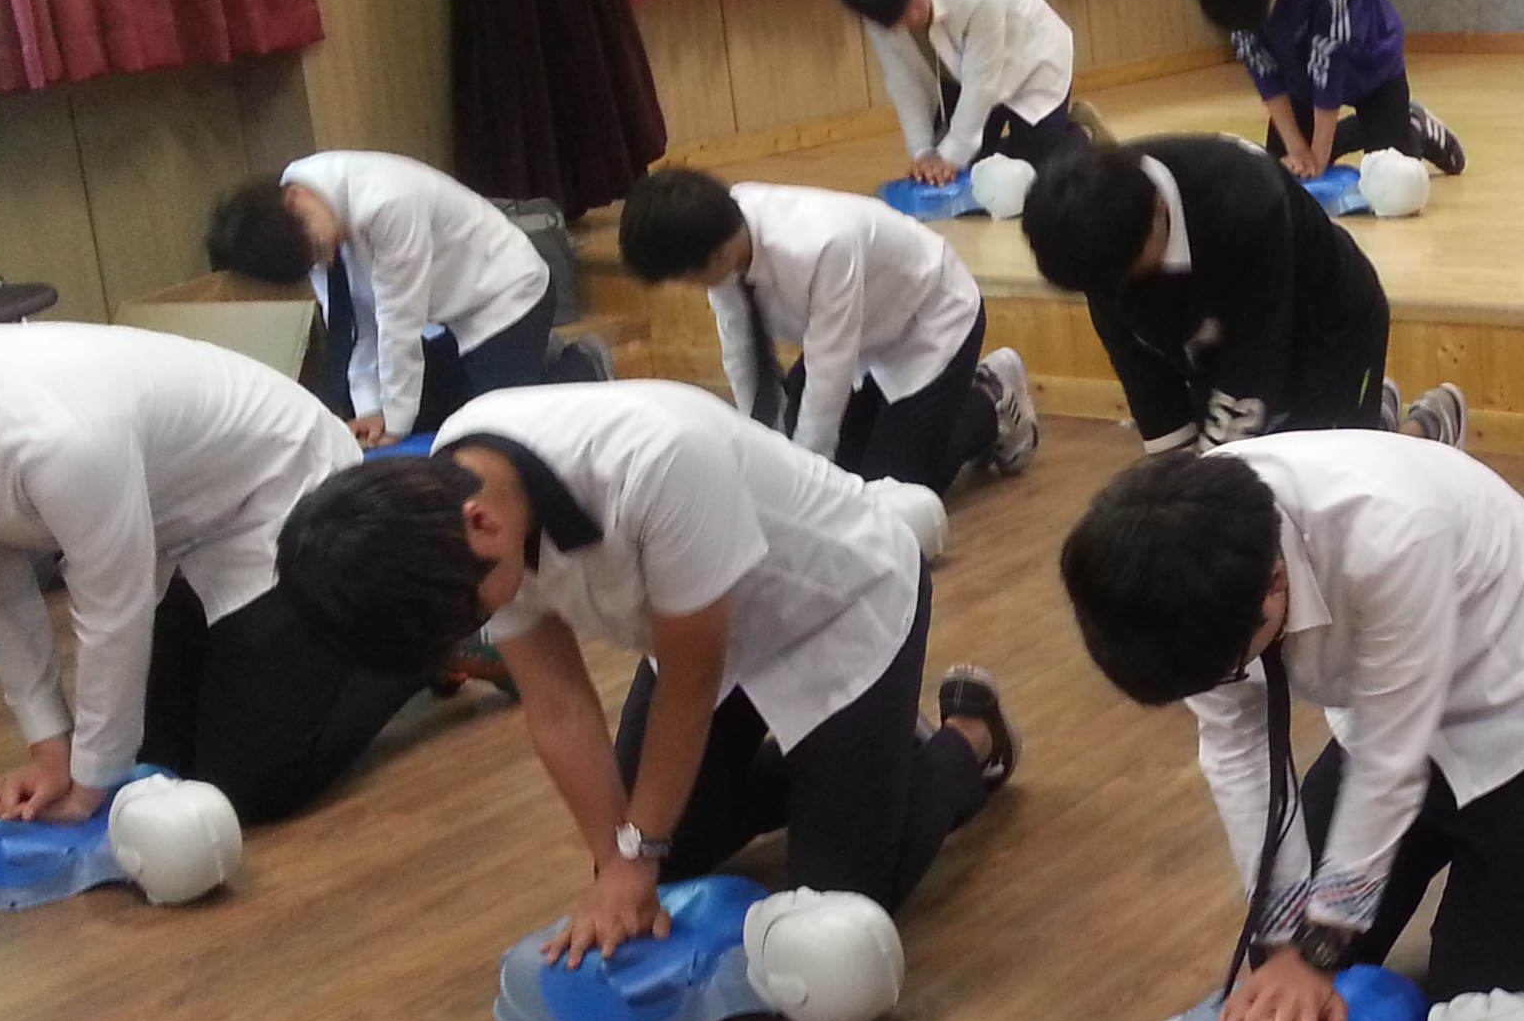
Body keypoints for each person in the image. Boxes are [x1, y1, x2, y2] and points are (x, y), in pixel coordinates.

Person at [274, 381, 1017, 963]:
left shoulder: (657, 462)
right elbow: (557, 703)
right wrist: (616, 860)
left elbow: (691, 685)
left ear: (481, 524)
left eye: (472, 610)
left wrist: (636, 852)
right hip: (697, 623)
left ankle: (967, 739)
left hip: (836, 601)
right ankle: (859, 762)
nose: (480, 625)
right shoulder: (448, 513)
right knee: (671, 851)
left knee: (841, 902)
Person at [1058, 433, 1524, 1021]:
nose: (1216, 689)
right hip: (1386, 719)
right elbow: (1238, 752)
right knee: (1286, 977)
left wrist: (1318, 950)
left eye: (1223, 672)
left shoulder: (1389, 532)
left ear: (1273, 584)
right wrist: (1282, 945)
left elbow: (1392, 761)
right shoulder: (1177, 576)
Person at [0, 285, 419, 826]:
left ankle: (417, 643)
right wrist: (51, 751)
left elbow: (113, 613)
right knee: (163, 764)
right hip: (177, 525)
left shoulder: (55, 439)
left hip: (287, 492)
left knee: (245, 786)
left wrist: (87, 789)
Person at [1022, 136, 1464, 455]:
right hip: (1213, 341)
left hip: (1328, 322)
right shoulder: (1096, 235)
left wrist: (1205, 486)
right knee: (1235, 485)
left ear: (1157, 213)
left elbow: (1254, 365)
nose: (1112, 293)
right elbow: (1147, 384)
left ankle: (1426, 430)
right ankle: (1370, 422)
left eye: (1126, 273)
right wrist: (1177, 480)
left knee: (1330, 484)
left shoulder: (1244, 201)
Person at [616, 169, 1035, 493]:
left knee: (890, 489)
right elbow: (742, 349)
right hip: (861, 334)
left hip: (930, 319)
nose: (687, 286)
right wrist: (762, 456)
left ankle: (989, 400)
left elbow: (829, 370)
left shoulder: (821, 244)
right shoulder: (718, 232)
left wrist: (803, 489)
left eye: (684, 277)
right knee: (838, 473)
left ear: (719, 253)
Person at [206, 150, 557, 446]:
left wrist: (396, 426)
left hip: (505, 295)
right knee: (394, 409)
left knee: (492, 432)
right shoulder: (293, 217)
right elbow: (351, 323)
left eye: (315, 248)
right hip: (445, 314)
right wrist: (370, 410)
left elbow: (398, 322)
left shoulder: (387, 201)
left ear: (296, 199)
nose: (322, 260)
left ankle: (567, 365)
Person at [1193, 0, 1466, 180]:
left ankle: (1412, 125)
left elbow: (1330, 68)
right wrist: (1296, 147)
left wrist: (1318, 158)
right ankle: (1369, 129)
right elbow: (1260, 65)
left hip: (1369, 63)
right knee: (1284, 176)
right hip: (1297, 72)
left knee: (1396, 180)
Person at [836, 0, 1095, 184]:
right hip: (960, 74)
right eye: (899, 18)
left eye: (912, 4)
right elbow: (905, 83)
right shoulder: (876, 12)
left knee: (1036, 175)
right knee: (967, 172)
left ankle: (1081, 134)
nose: (911, 18)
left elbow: (981, 82)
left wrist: (949, 157)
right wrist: (923, 153)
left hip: (1032, 64)